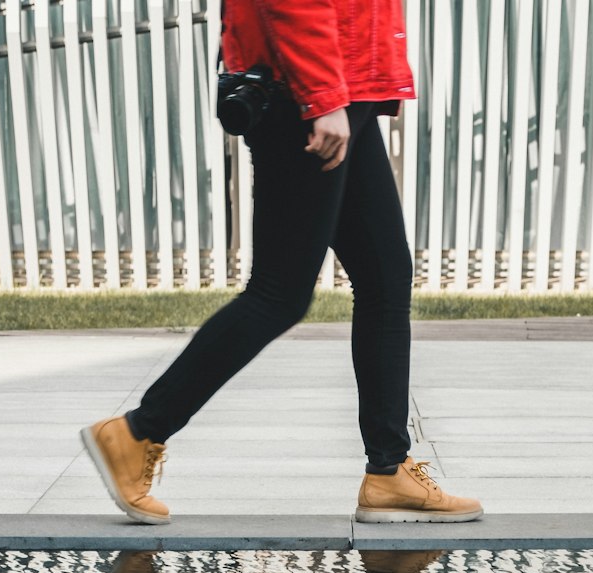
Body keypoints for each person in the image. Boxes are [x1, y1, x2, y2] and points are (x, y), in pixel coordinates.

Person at [81, 0, 483, 527]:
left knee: (386, 277)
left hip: (344, 89)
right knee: (279, 293)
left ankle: (388, 472)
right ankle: (137, 433)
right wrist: (322, 97)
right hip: (307, 92)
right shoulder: (318, 94)